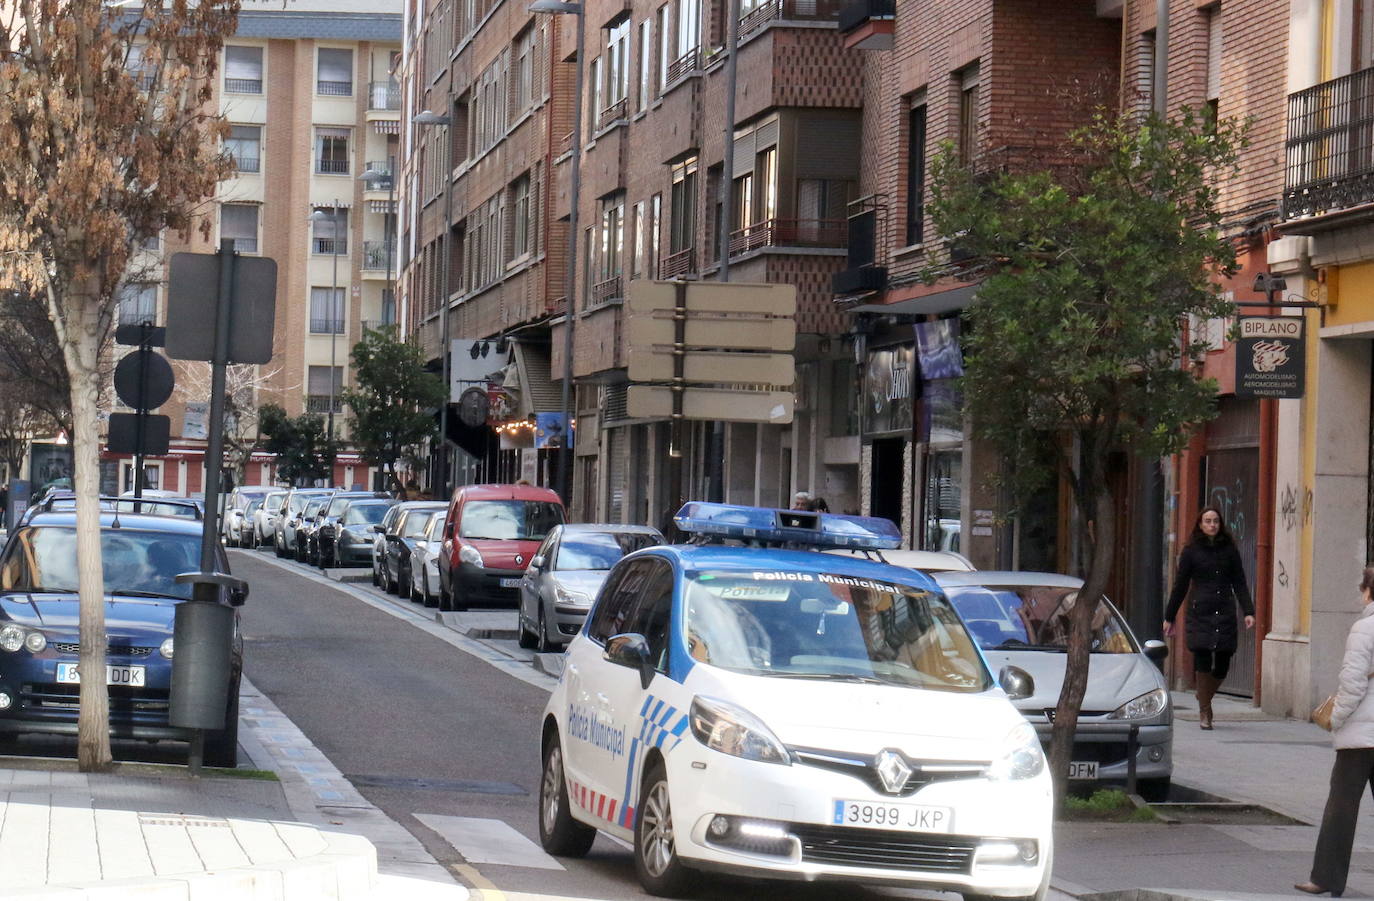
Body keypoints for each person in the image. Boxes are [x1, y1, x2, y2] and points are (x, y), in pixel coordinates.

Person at [1296, 566, 1374, 897]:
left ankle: (1325, 877)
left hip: (1362, 734)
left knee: (1341, 806)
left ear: (1368, 591)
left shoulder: (1364, 629)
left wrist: (1335, 718)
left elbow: (1353, 685)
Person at [1163, 506, 1255, 730]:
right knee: (1202, 656)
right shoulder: (1191, 551)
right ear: (1200, 525)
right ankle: (1205, 712)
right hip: (1200, 611)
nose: (1212, 525)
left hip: (1224, 609)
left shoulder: (1229, 550)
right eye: (1207, 521)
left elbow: (1240, 582)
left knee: (1223, 660)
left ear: (1220, 524)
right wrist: (1170, 616)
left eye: (1215, 521)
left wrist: (1248, 611)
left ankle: (1203, 696)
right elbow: (1180, 585)